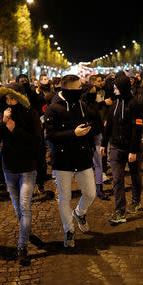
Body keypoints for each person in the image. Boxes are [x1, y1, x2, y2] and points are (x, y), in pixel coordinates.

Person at [0, 83, 41, 265]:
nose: (10, 102)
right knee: (18, 209)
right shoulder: (2, 112)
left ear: (20, 97)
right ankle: (25, 231)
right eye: (6, 99)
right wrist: (3, 122)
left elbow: (36, 141)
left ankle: (22, 246)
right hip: (9, 168)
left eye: (12, 98)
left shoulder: (31, 113)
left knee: (25, 207)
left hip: (27, 167)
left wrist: (15, 129)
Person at [45, 75, 96, 248]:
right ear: (66, 90)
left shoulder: (82, 105)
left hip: (83, 158)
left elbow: (91, 123)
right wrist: (73, 134)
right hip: (63, 160)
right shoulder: (53, 108)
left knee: (90, 193)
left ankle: (80, 213)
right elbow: (50, 135)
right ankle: (69, 230)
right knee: (64, 198)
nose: (80, 91)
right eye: (77, 89)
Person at [101, 73, 143, 224]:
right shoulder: (114, 104)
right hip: (116, 148)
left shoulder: (135, 104)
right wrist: (103, 144)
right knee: (117, 180)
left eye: (116, 88)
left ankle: (136, 200)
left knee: (135, 176)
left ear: (123, 88)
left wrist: (133, 150)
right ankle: (120, 211)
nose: (114, 91)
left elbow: (137, 129)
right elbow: (108, 124)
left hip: (131, 148)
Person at [82, 75, 109, 200]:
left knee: (98, 163)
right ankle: (88, 189)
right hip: (86, 138)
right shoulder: (82, 106)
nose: (94, 94)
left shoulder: (93, 104)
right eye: (92, 92)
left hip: (97, 136)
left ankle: (99, 188)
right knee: (86, 165)